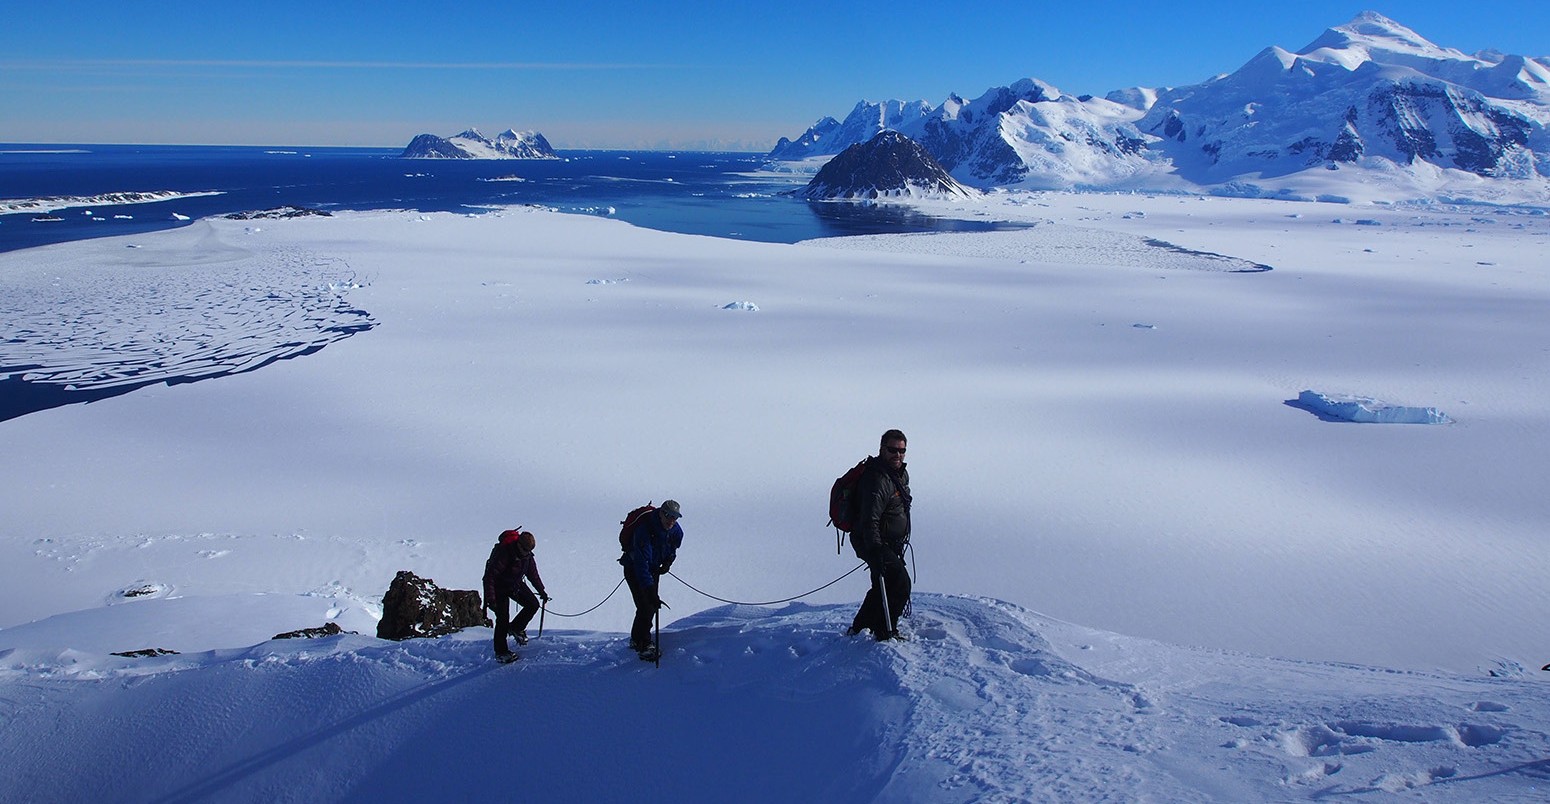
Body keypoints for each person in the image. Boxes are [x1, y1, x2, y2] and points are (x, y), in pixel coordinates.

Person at [848, 429, 912, 641]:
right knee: (900, 582)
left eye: (902, 450)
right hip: (873, 541)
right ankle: (885, 630)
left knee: (882, 584)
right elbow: (870, 519)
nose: (898, 455)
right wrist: (874, 550)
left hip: (887, 542)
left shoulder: (899, 474)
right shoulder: (877, 479)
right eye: (892, 450)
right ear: (882, 449)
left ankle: (860, 627)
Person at [622, 499, 684, 661]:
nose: (672, 520)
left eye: (675, 517)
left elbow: (673, 548)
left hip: (653, 568)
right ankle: (644, 645)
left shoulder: (676, 530)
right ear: (661, 514)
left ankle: (637, 640)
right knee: (646, 605)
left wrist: (668, 562)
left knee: (647, 606)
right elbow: (641, 564)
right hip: (634, 568)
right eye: (669, 516)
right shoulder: (645, 530)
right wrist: (650, 590)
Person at [483, 528, 550, 663]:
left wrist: (541, 591)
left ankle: (516, 628)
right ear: (519, 545)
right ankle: (501, 652)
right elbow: (489, 577)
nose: (527, 553)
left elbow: (533, 575)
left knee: (533, 604)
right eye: (525, 550)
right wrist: (491, 599)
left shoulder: (527, 556)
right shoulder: (505, 553)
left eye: (529, 551)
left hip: (514, 584)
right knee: (502, 619)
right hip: (499, 587)